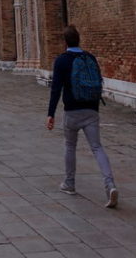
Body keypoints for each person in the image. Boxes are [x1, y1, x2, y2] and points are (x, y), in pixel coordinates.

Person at [46, 24, 118, 208]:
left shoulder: (62, 60)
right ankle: (110, 184)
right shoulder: (90, 57)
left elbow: (56, 89)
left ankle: (69, 183)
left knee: (70, 146)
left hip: (72, 111)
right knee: (97, 147)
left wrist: (50, 114)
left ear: (65, 42)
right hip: (92, 109)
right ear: (79, 39)